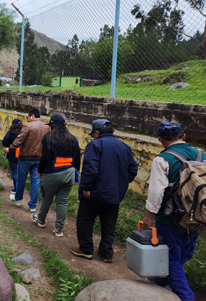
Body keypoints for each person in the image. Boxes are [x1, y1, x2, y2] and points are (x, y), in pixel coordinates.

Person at [142, 122, 203, 301]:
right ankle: (162, 280)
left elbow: (156, 192)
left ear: (160, 140)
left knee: (169, 257)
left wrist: (149, 216)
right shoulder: (201, 154)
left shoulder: (162, 160)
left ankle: (185, 296)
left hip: (171, 217)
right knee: (186, 249)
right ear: (183, 136)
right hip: (197, 215)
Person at [71, 119, 138, 262]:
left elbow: (90, 169)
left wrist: (87, 188)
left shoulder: (95, 144)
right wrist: (122, 183)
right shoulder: (124, 146)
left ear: (96, 132)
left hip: (94, 193)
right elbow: (133, 169)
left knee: (85, 221)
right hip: (115, 194)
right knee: (109, 224)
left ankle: (86, 249)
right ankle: (106, 253)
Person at [34, 114, 81, 237]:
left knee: (46, 197)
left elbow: (44, 158)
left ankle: (41, 220)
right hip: (69, 173)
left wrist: (40, 171)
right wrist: (76, 171)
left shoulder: (48, 138)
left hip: (52, 173)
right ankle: (58, 228)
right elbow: (78, 158)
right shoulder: (73, 139)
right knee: (62, 202)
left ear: (53, 125)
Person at [7, 108, 49, 213]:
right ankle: (33, 206)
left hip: (25, 158)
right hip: (39, 158)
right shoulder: (47, 127)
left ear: (32, 116)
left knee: (22, 179)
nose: (27, 119)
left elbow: (18, 141)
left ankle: (18, 199)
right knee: (35, 181)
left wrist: (10, 148)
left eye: (27, 117)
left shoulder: (27, 126)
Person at [2, 118, 23, 194]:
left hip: (12, 154)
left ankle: (16, 189)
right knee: (21, 173)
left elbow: (4, 143)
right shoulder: (24, 133)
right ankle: (20, 189)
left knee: (14, 172)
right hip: (23, 155)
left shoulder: (9, 133)